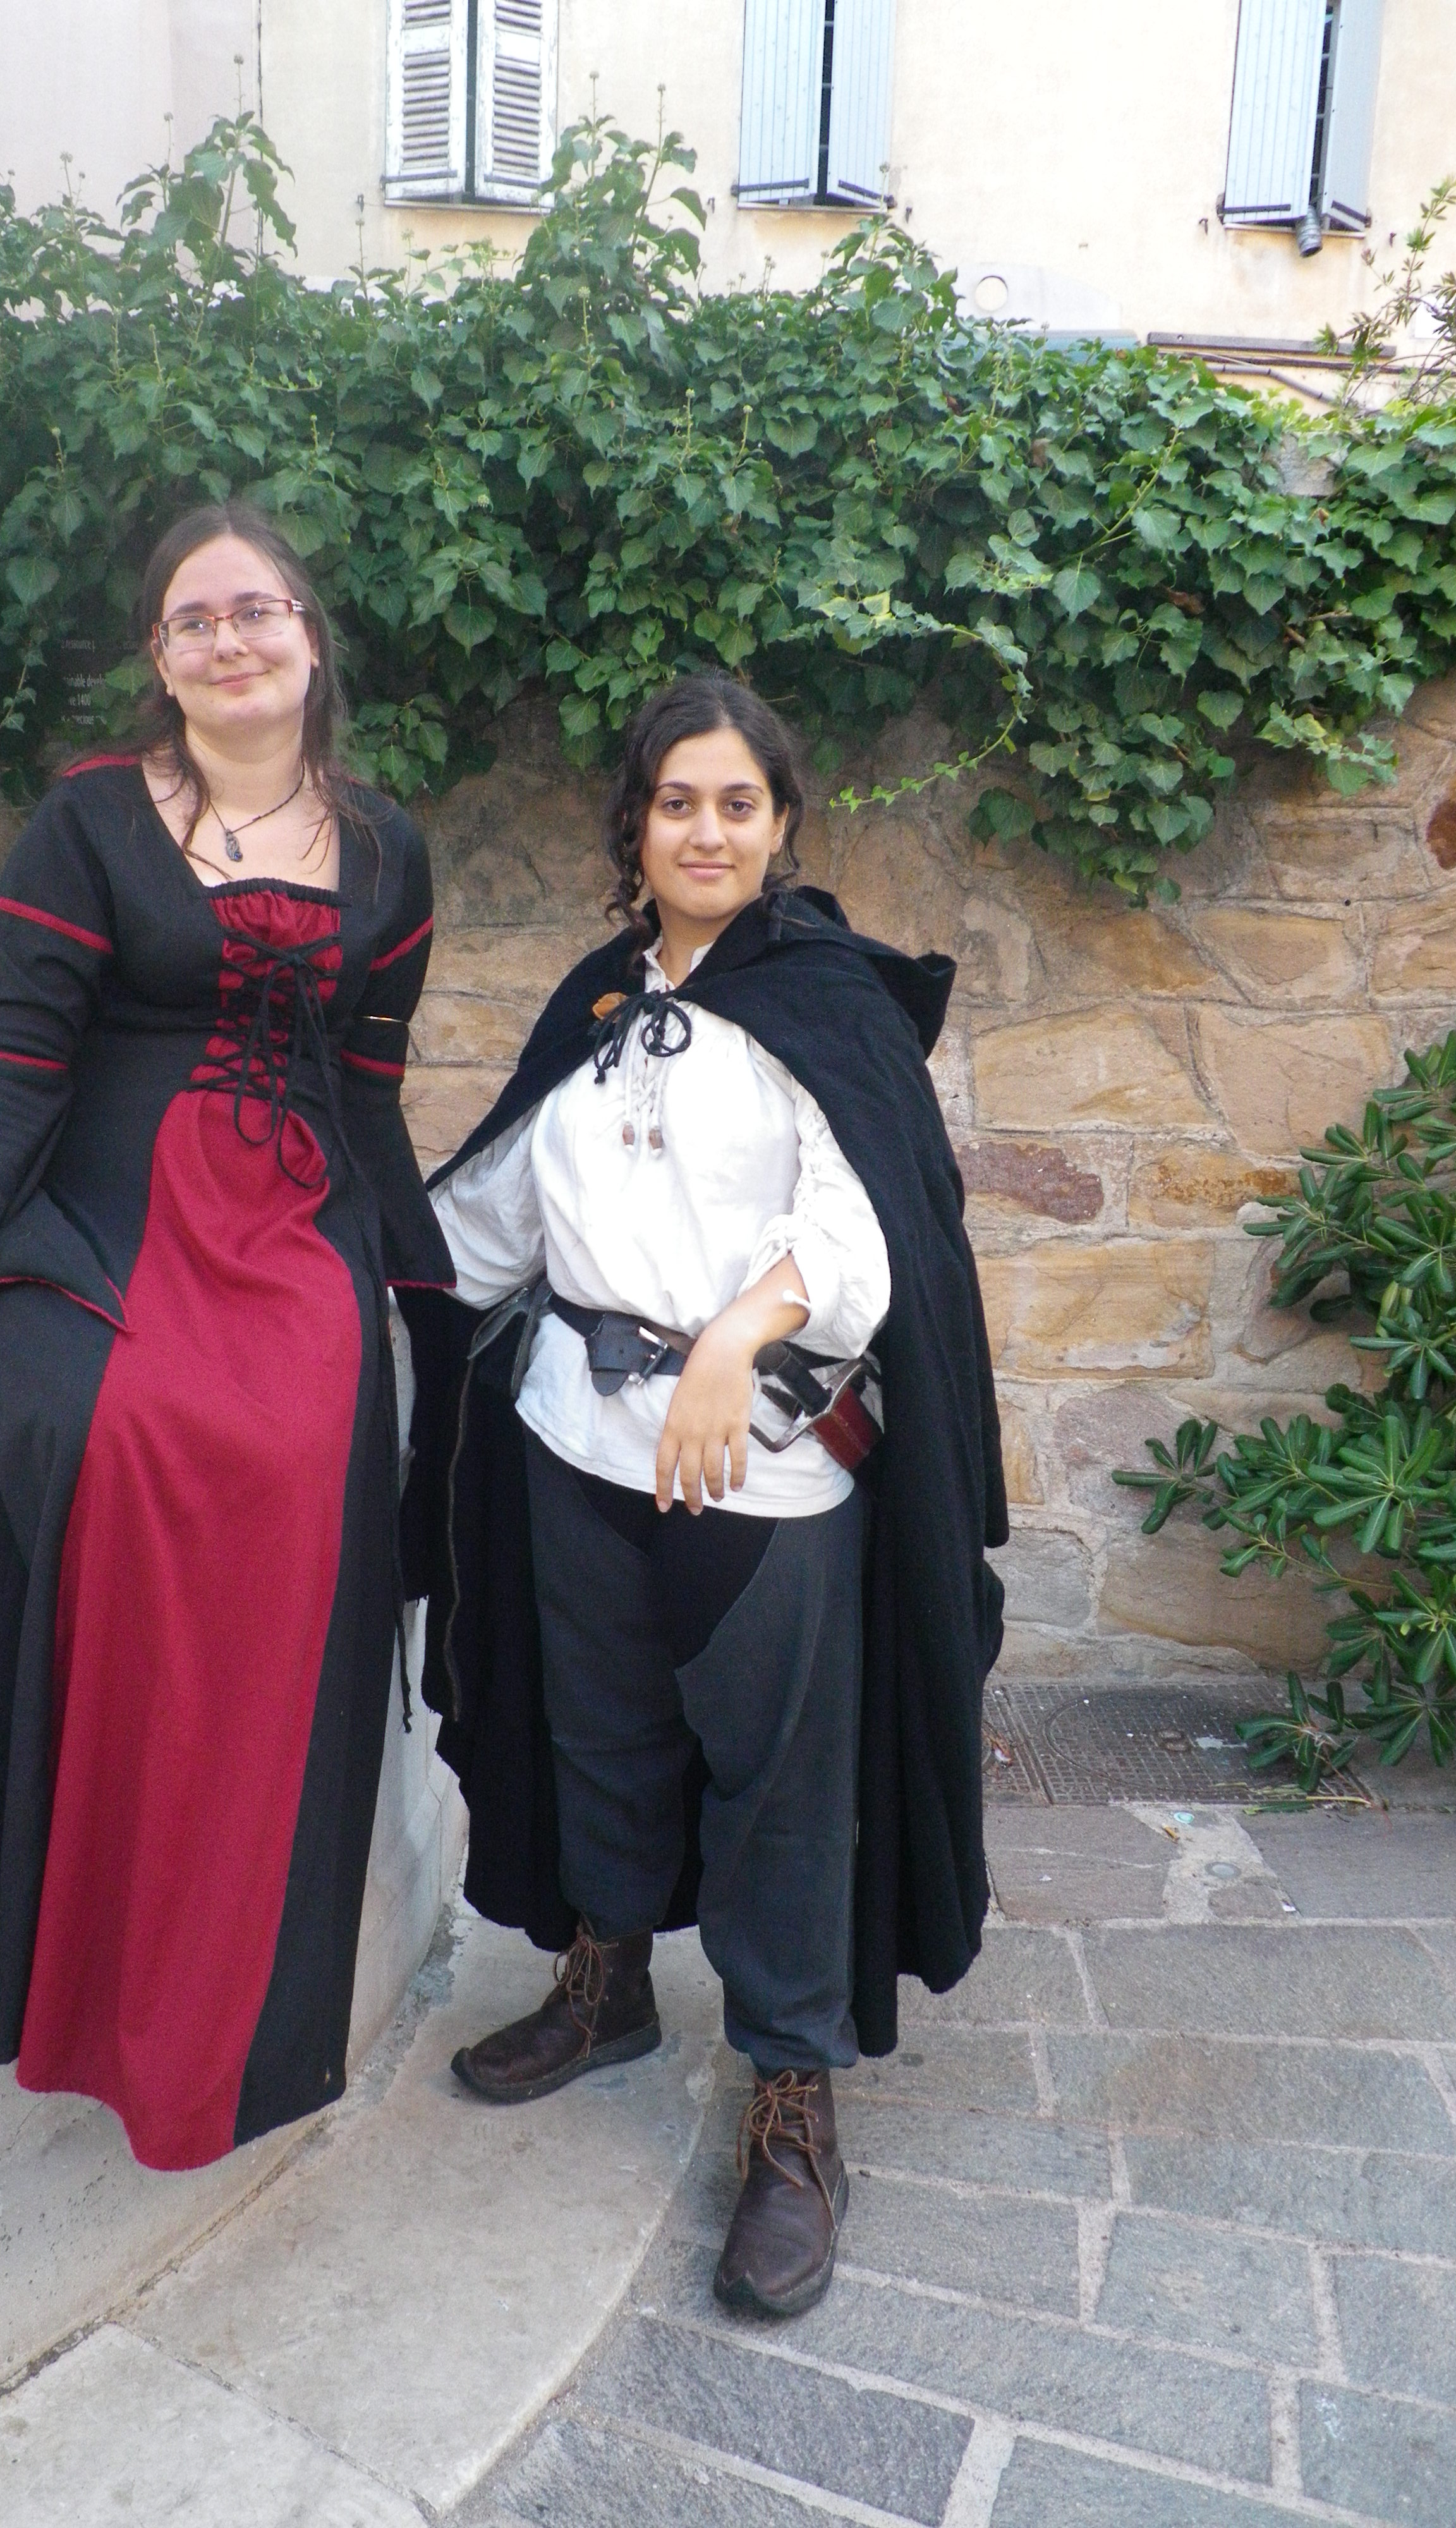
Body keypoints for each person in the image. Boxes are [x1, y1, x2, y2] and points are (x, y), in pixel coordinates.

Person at [0, 501, 453, 2172]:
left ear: (309, 636)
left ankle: (231, 2005)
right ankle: (94, 1963)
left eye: (256, 610)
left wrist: (426, 1293)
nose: (228, 639)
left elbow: (371, 1090)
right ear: (160, 660)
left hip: (296, 1221)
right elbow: (16, 1055)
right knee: (125, 1438)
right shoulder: (91, 819)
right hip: (104, 1214)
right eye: (193, 620)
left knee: (301, 1458)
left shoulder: (388, 849)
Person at [400, 672, 1007, 2318]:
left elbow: (868, 1228)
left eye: (739, 802)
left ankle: (794, 2095)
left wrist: (741, 1332)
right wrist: (307, 1277)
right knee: (597, 1734)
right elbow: (490, 1219)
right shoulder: (598, 1005)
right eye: (679, 802)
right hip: (576, 1447)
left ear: (781, 822)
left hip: (765, 1474)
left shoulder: (829, 1004)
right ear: (637, 824)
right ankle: (606, 1984)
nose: (708, 830)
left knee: (777, 1790)